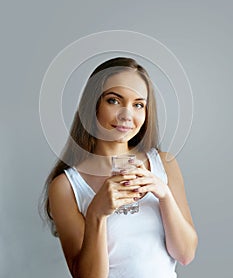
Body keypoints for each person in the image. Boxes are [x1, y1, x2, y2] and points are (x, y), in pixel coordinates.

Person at [41, 57, 198, 278]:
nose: (127, 115)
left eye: (138, 105)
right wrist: (97, 212)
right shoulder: (66, 187)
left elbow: (185, 254)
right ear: (93, 104)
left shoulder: (165, 164)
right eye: (114, 101)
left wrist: (164, 195)